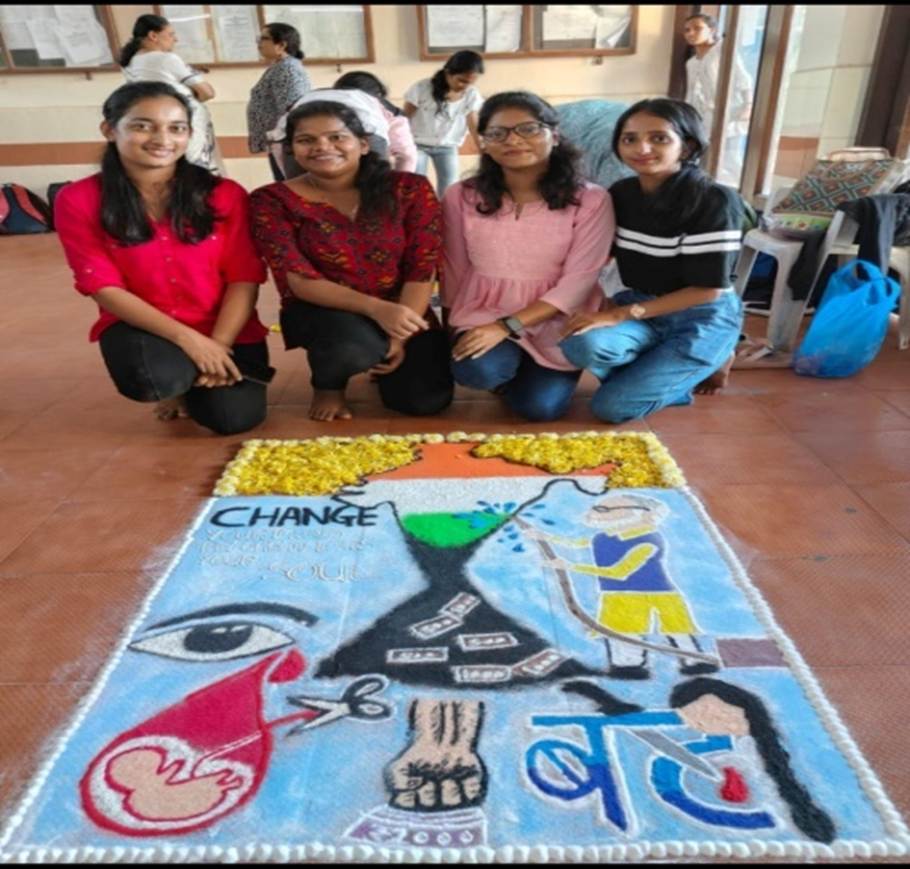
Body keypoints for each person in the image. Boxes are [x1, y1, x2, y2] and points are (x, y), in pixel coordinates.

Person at [53, 82, 270, 436]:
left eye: (176, 128)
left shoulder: (224, 194)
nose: (162, 139)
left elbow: (244, 277)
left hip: (225, 329)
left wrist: (218, 346)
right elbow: (101, 285)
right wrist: (191, 342)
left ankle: (192, 379)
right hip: (144, 328)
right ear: (110, 129)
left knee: (232, 419)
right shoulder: (79, 199)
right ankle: (176, 383)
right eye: (142, 126)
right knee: (154, 378)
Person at [249, 100, 454, 423]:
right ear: (291, 150)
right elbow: (299, 280)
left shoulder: (409, 189)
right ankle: (328, 384)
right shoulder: (271, 200)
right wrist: (377, 310)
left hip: (403, 308)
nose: (322, 147)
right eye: (306, 140)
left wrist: (400, 336)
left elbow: (422, 266)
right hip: (324, 310)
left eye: (336, 137)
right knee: (352, 348)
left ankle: (380, 353)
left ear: (363, 144)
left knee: (423, 401)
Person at [559, 98, 744, 423]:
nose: (641, 148)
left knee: (611, 408)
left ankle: (713, 356)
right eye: (629, 139)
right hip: (643, 305)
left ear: (687, 146)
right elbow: (603, 251)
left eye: (659, 138)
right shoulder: (622, 193)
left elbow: (708, 290)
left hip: (701, 314)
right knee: (579, 344)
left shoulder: (715, 200)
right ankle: (669, 367)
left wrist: (618, 314)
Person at [442, 91, 613, 422]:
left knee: (539, 408)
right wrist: (451, 332)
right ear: (484, 142)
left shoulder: (591, 199)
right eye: (498, 133)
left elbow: (579, 282)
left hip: (558, 317)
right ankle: (506, 369)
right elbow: (454, 268)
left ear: (555, 135)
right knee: (476, 371)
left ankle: (532, 369)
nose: (513, 140)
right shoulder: (461, 196)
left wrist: (506, 326)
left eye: (529, 129)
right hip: (484, 309)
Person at [119, 14, 224, 175]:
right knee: (196, 169)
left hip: (155, 123)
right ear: (153, 36)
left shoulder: (131, 62)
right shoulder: (167, 59)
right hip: (185, 121)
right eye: (171, 34)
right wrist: (190, 96)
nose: (175, 39)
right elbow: (207, 92)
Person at [683, 13, 754, 187]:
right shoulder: (691, 63)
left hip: (728, 113)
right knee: (703, 156)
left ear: (712, 30)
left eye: (697, 28)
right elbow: (691, 92)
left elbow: (743, 80)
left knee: (729, 156)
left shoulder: (723, 51)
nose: (691, 33)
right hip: (701, 117)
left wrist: (748, 105)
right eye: (687, 30)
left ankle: (743, 191)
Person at [403, 50, 485, 195]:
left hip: (447, 145)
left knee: (450, 186)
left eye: (470, 83)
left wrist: (482, 148)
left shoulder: (471, 94)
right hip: (417, 144)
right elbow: (405, 117)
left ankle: (444, 210)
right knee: (417, 182)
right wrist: (400, 143)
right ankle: (420, 209)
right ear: (448, 73)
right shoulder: (422, 88)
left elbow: (473, 122)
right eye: (461, 80)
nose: (464, 86)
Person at [247, 22, 312, 182]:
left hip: (285, 142)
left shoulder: (288, 69)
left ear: (281, 45)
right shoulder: (279, 67)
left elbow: (292, 109)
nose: (259, 44)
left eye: (264, 39)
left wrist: (283, 139)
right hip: (278, 141)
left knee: (291, 186)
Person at [335, 70, 418, 173]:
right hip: (372, 159)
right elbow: (406, 155)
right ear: (379, 94)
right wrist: (403, 180)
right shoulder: (388, 110)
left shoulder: (325, 102)